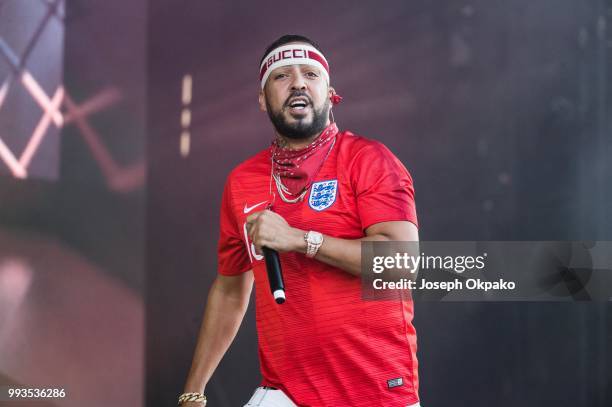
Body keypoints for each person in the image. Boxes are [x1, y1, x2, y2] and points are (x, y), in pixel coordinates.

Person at [179, 34, 421, 407]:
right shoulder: (242, 182)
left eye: (310, 73)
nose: (297, 82)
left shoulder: (369, 159)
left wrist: (300, 239)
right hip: (284, 394)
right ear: (262, 99)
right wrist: (192, 391)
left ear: (330, 92)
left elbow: (401, 264)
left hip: (375, 392)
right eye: (281, 76)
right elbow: (230, 290)